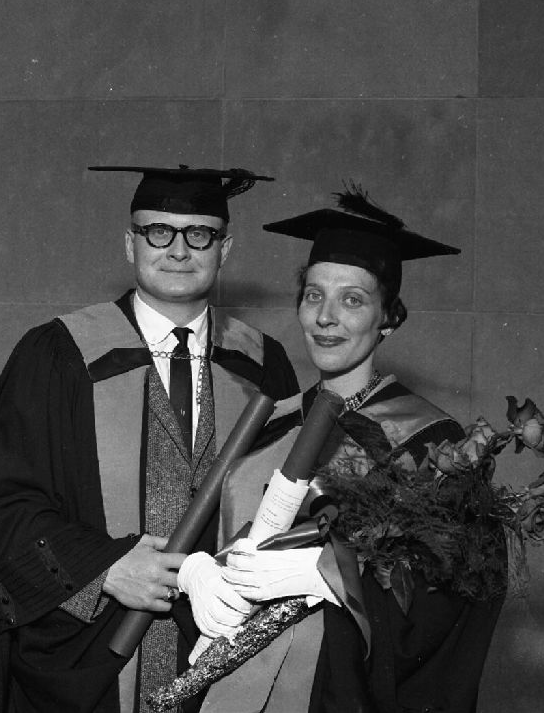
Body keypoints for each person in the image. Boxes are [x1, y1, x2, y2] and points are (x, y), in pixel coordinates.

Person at [0, 165, 299, 713]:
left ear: (226, 249)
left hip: (221, 655)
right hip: (91, 658)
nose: (179, 250)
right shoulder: (58, 354)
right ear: (129, 243)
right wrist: (105, 568)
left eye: (200, 234)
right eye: (158, 232)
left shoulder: (262, 364)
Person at [181, 186, 505, 713]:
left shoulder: (432, 444)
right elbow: (212, 535)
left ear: (389, 317)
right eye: (314, 296)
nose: (325, 317)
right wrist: (194, 572)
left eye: (352, 300)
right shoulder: (270, 424)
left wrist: (334, 575)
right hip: (231, 686)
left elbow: (454, 601)